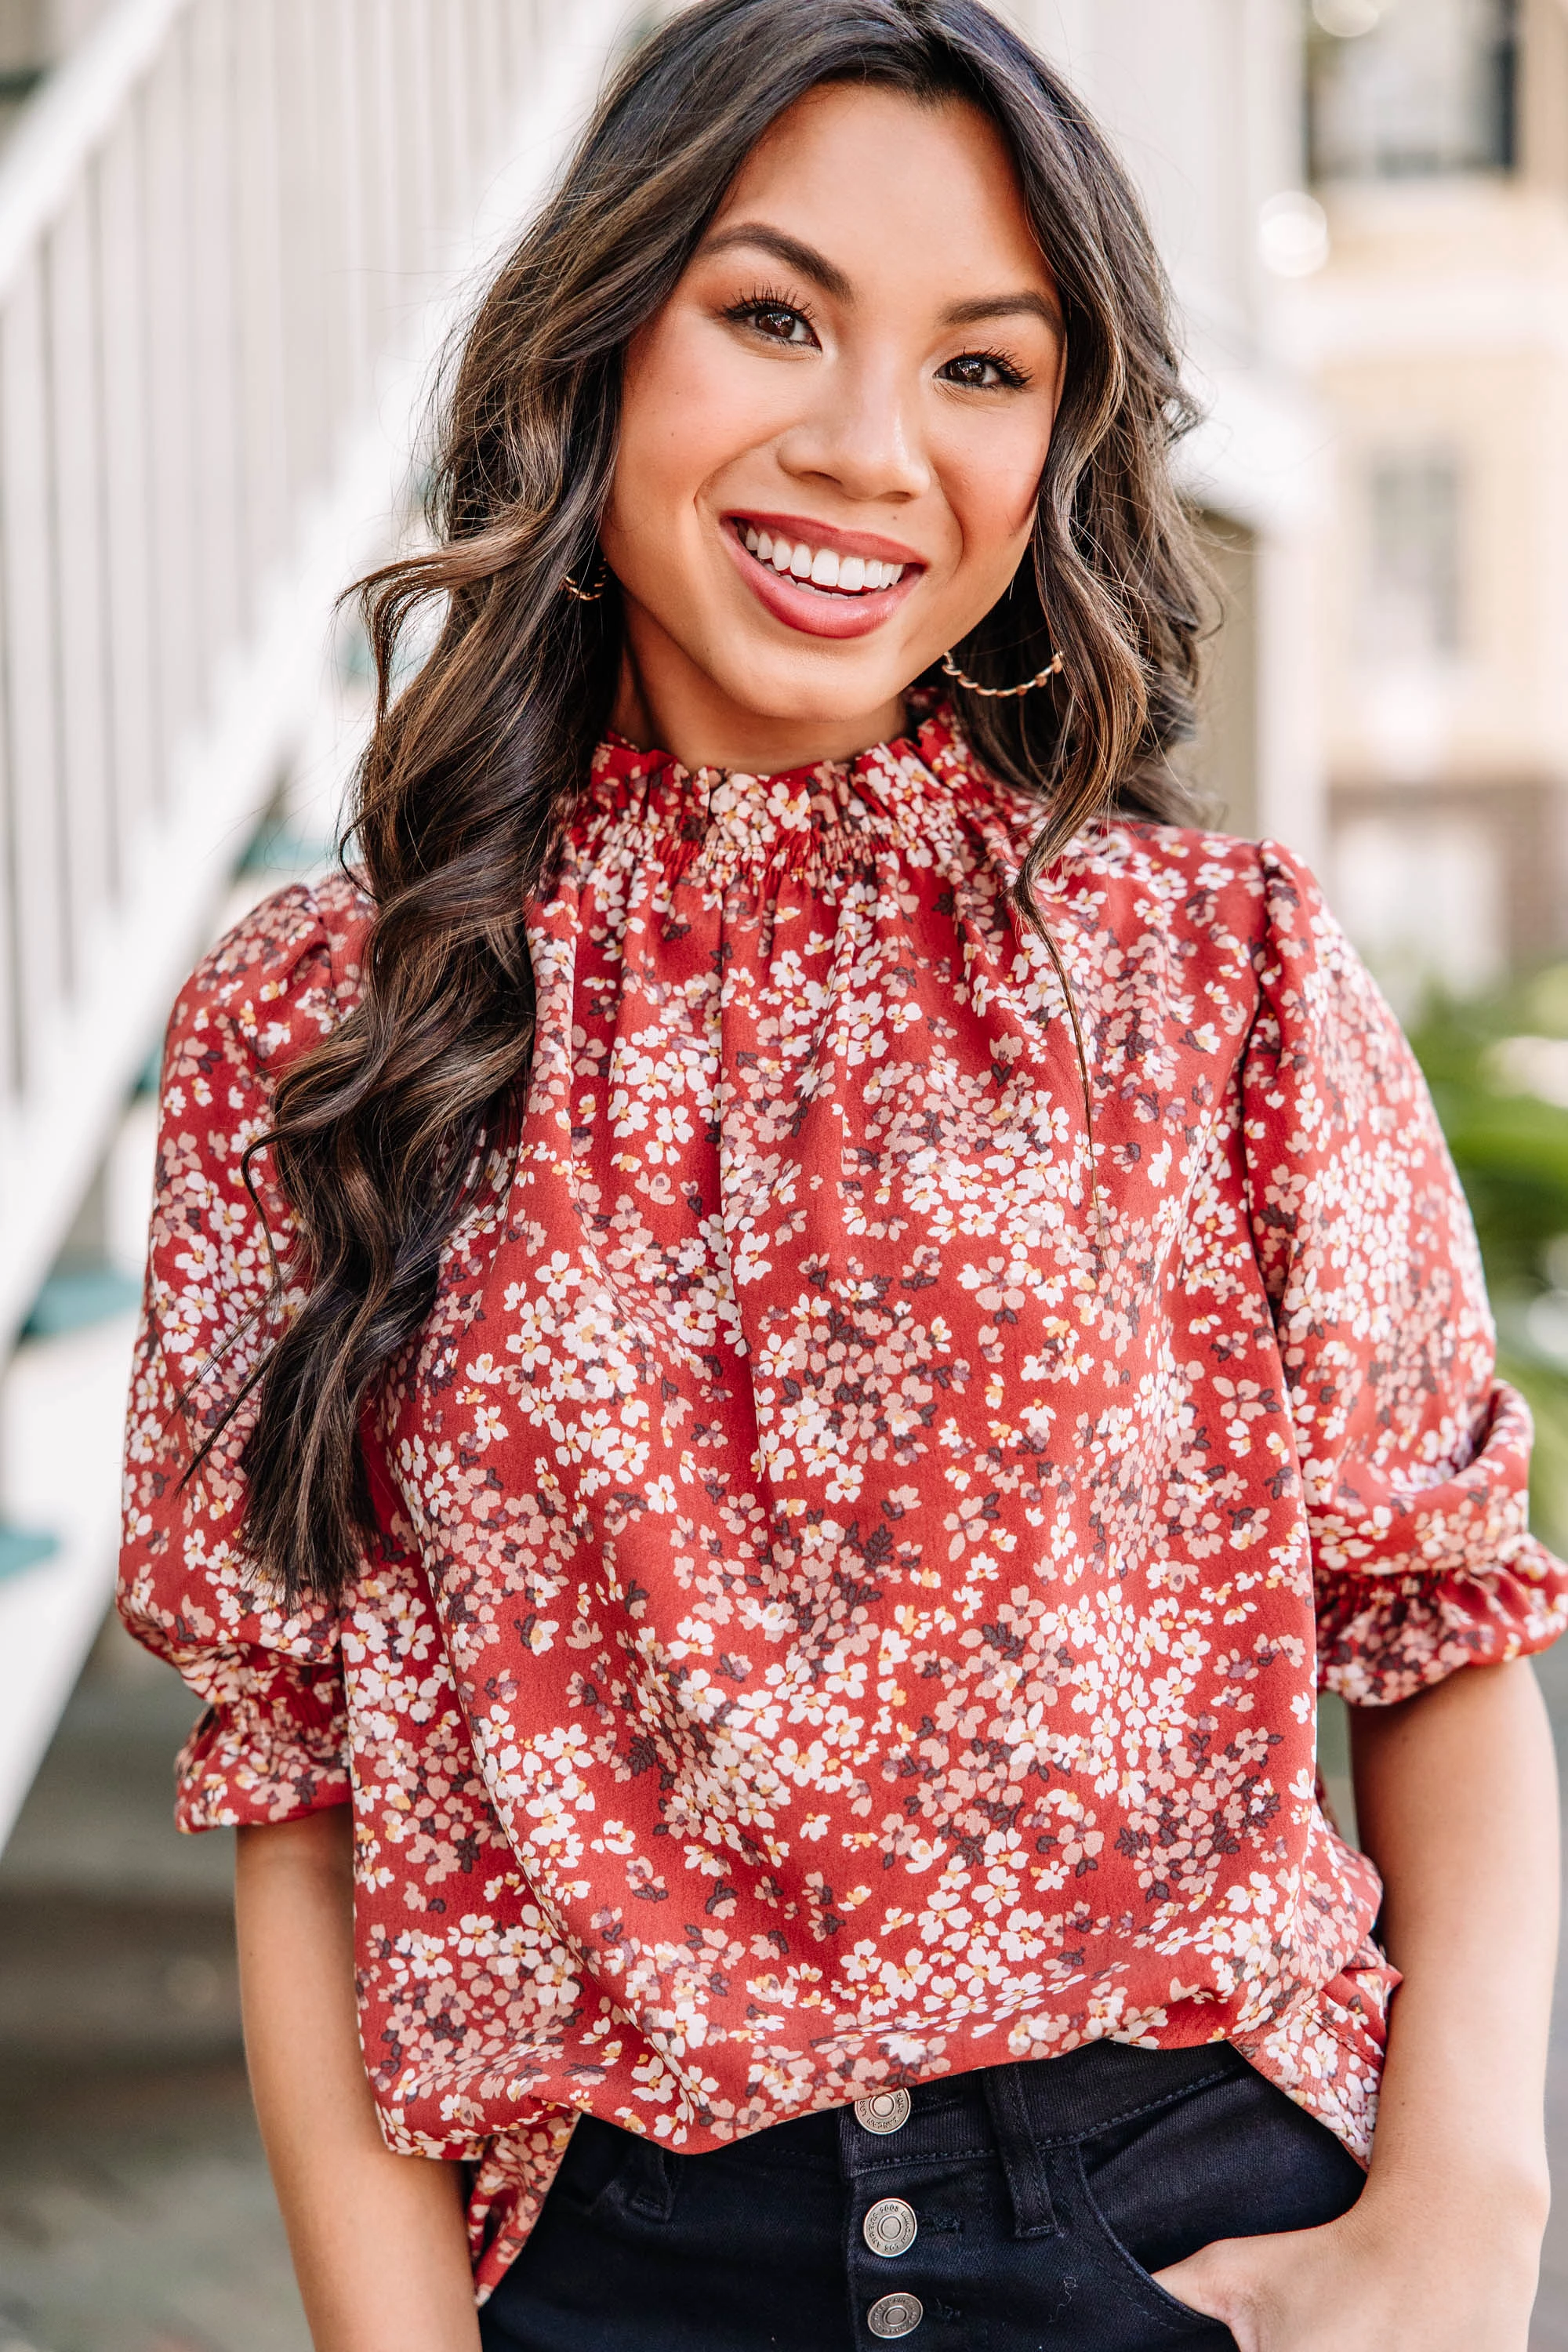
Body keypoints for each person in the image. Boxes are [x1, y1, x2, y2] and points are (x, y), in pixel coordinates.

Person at [118, 2, 1566, 2346]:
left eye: (985, 369)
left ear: (1058, 442)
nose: (871, 446)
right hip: (603, 2264)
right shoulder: (321, 1022)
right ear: (602, 335)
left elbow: (1443, 1619)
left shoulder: (1217, 972)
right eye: (774, 315)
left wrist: (1464, 2221)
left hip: (1183, 2230)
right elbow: (303, 1777)